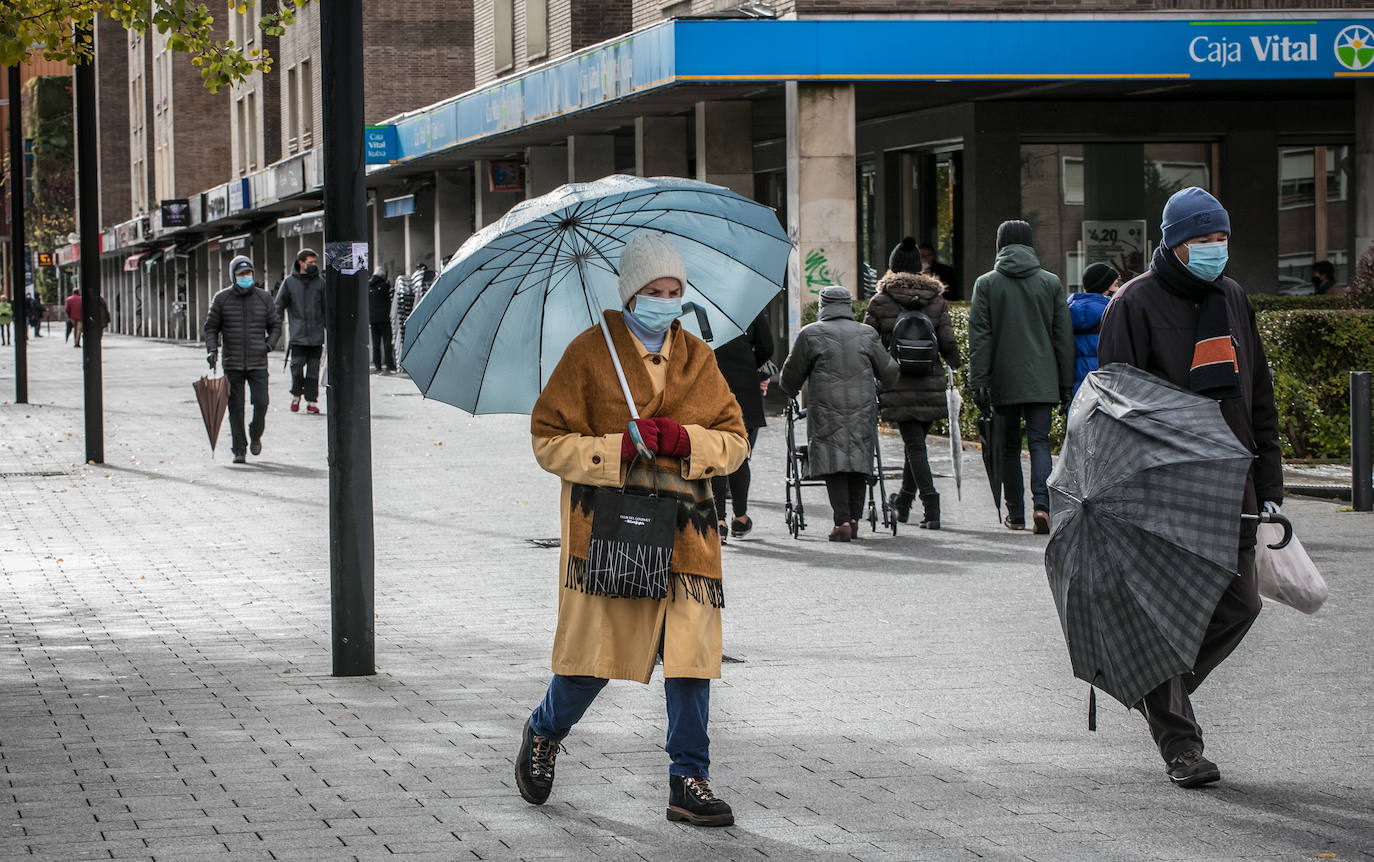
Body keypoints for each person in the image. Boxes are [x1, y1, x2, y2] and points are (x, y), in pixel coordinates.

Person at [517, 233, 749, 827]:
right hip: (613, 531)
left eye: (675, 292)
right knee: (595, 659)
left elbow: (735, 441)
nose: (666, 302)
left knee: (690, 660)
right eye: (653, 291)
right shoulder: (589, 354)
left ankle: (688, 779)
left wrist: (686, 440)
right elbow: (548, 440)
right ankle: (544, 732)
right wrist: (612, 448)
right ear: (629, 293)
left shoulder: (699, 357)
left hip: (689, 535)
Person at [1098, 186, 1282, 789]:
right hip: (1164, 486)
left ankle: (1159, 688)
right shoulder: (1134, 305)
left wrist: (1270, 480)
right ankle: (1181, 742)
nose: (1215, 250)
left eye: (1222, 239)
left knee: (1241, 602)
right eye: (1203, 241)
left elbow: (1257, 393)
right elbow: (1115, 401)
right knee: (1165, 612)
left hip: (1235, 484)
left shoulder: (1231, 298)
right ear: (1174, 244)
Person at [967, 219, 1074, 534]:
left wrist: (979, 382)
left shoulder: (986, 284)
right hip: (1043, 379)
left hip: (1003, 380)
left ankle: (1015, 514)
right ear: (1030, 245)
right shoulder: (1051, 283)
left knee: (1010, 446)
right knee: (1040, 442)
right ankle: (1043, 506)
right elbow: (1062, 338)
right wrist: (1065, 382)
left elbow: (980, 338)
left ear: (1000, 245)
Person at [780, 285, 900, 542]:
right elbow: (890, 372)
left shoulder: (810, 334)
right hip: (862, 408)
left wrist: (789, 390)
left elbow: (790, 377)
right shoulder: (866, 334)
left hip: (826, 411)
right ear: (848, 305)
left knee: (834, 460)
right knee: (858, 458)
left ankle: (842, 521)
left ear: (823, 305)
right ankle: (854, 519)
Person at [864, 241, 962, 530]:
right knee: (915, 444)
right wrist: (955, 365)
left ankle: (931, 505)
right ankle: (905, 503)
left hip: (896, 381)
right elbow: (947, 342)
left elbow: (868, 342)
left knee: (914, 446)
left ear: (893, 266)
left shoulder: (881, 300)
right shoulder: (935, 299)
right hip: (930, 381)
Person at [205, 256, 282, 464]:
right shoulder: (222, 299)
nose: (245, 277)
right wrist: (212, 350)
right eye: (241, 274)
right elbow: (211, 327)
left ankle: (255, 433)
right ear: (233, 276)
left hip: (258, 362)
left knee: (261, 402)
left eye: (248, 273)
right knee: (235, 407)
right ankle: (239, 448)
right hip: (233, 363)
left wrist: (269, 344)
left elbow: (275, 324)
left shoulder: (264, 298)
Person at [710, 310, 773, 542]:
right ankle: (741, 517)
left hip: (709, 383)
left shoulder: (697, 305)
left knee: (715, 452)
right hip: (743, 386)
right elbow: (767, 347)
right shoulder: (748, 306)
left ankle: (719, 520)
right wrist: (746, 362)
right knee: (738, 451)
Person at [275, 248, 326, 414]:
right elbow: (278, 305)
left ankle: (311, 401)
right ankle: (296, 395)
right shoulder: (289, 282)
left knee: (313, 369)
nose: (313, 265)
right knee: (296, 367)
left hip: (316, 335)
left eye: (315, 263)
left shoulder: (320, 283)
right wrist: (274, 326)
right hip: (297, 336)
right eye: (310, 262)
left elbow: (327, 307)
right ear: (301, 262)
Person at [1067, 262, 1119, 399]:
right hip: (1105, 385)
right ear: (1105, 289)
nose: (1118, 289)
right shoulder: (1112, 312)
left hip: (1077, 387)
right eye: (1115, 285)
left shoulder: (1070, 311)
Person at [368, 267, 397, 373]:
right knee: (387, 341)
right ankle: (389, 363)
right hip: (384, 318)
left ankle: (377, 364)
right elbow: (388, 299)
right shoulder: (384, 286)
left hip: (373, 318)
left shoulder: (368, 286)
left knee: (375, 343)